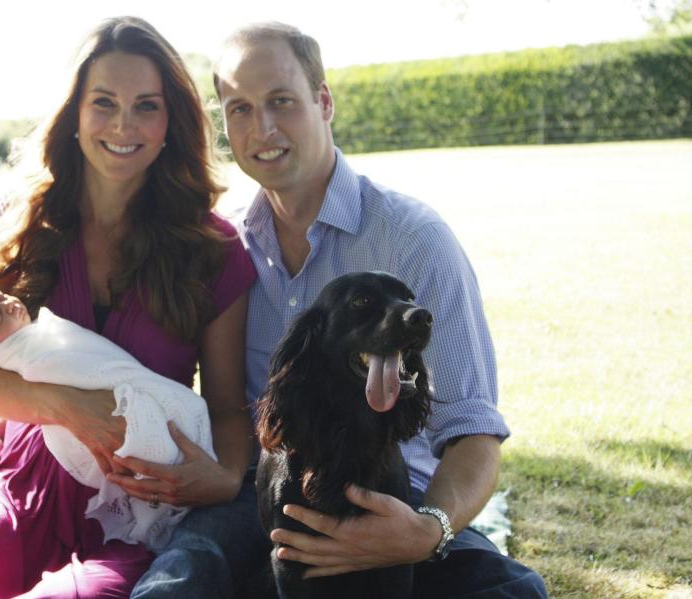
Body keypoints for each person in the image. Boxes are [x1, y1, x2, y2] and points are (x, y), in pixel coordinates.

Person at [0, 16, 256, 599]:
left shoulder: (214, 249)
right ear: (75, 114)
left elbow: (229, 406)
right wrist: (61, 405)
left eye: (147, 106)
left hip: (138, 512)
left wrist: (224, 477)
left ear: (171, 123)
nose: (124, 124)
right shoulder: (24, 219)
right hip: (21, 485)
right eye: (103, 102)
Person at [208, 22, 549, 598]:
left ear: (324, 101)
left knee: (514, 593)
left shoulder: (414, 240)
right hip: (264, 499)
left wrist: (427, 530)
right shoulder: (226, 248)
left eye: (281, 101)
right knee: (178, 579)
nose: (261, 128)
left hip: (397, 499)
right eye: (239, 108)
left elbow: (472, 429)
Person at [0, 285, 218, 550]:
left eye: (1, 296)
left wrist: (224, 481)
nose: (8, 304)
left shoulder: (209, 254)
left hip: (108, 489)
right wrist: (62, 405)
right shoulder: (20, 252)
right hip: (17, 478)